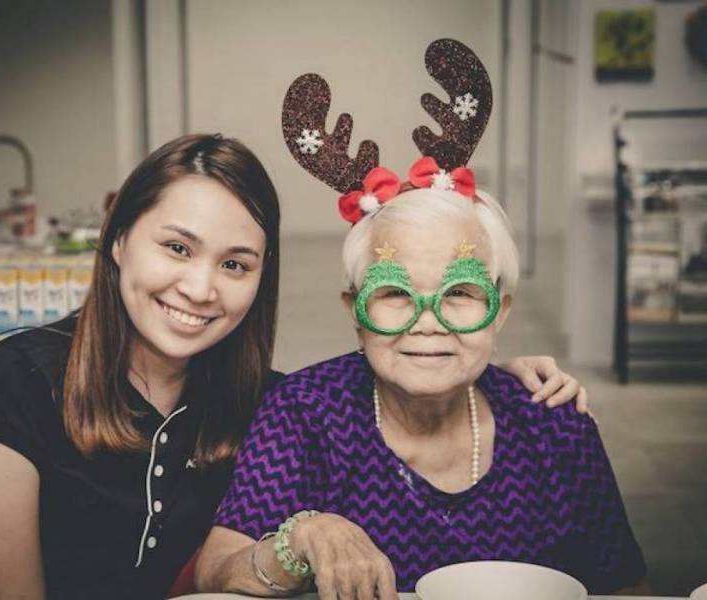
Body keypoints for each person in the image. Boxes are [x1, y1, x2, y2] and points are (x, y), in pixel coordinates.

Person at [0, 133, 583, 600]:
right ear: (117, 241)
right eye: (177, 247)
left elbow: (389, 369)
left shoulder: (265, 403)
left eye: (235, 264)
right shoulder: (17, 377)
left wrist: (490, 365)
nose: (201, 288)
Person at [195, 40, 648, 598]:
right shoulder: (305, 412)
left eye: (459, 292)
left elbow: (626, 589)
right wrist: (303, 536)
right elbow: (214, 570)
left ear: (499, 310)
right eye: (394, 294)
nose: (427, 322)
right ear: (354, 312)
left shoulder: (557, 425)